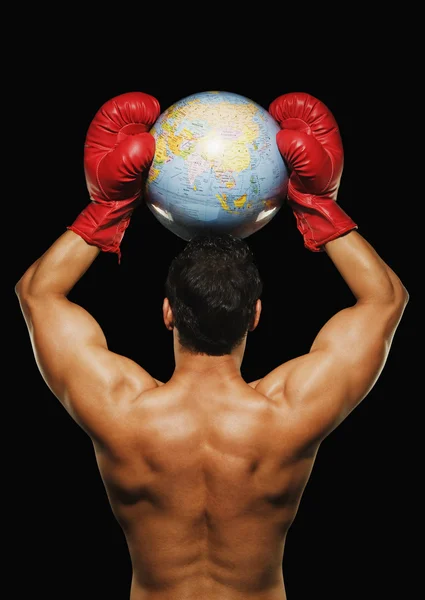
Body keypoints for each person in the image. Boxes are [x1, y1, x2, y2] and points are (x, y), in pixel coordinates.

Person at [15, 90, 409, 600]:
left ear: (166, 312)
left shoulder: (120, 410)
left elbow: (37, 294)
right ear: (257, 316)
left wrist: (106, 208)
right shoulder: (289, 414)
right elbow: (385, 300)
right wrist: (319, 207)